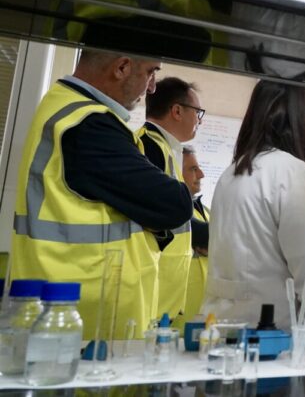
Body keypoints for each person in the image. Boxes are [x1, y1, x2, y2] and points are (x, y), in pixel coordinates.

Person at [10, 49, 192, 340]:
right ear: (121, 66)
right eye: (150, 72)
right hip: (81, 328)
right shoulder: (87, 123)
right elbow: (175, 205)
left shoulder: (70, 111)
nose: (153, 86)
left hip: (76, 318)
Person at [202, 81, 305, 330]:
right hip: (272, 335)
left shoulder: (232, 172)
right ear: (299, 121)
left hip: (219, 327)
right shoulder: (294, 173)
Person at [138, 77, 203, 319]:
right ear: (177, 111)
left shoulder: (166, 149)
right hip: (150, 283)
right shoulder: (148, 145)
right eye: (197, 112)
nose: (199, 120)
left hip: (163, 289)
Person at [173, 145, 209, 329]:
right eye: (193, 169)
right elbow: (209, 237)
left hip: (206, 323)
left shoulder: (207, 212)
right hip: (176, 323)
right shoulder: (170, 212)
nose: (201, 174)